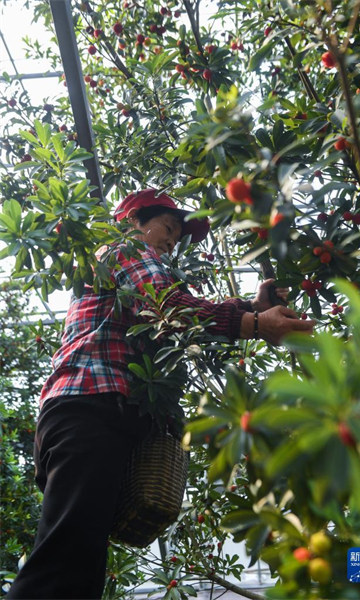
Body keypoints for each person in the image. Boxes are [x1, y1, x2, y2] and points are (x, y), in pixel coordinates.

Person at [6, 188, 314, 599]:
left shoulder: (119, 263)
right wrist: (254, 324)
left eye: (176, 235)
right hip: (91, 409)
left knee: (77, 566)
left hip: (82, 415)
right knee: (62, 565)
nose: (172, 241)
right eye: (168, 228)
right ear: (134, 220)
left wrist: (252, 311)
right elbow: (167, 307)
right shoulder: (125, 249)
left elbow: (175, 306)